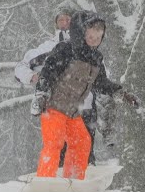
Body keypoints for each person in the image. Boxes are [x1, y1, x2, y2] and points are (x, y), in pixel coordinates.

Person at [33, 10, 139, 180]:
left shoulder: (96, 58)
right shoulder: (65, 50)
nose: (94, 42)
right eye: (91, 38)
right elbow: (48, 72)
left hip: (73, 112)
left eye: (98, 38)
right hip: (53, 108)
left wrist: (121, 93)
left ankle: (73, 178)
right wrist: (42, 93)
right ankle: (45, 179)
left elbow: (101, 82)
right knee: (54, 143)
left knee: (82, 142)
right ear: (79, 33)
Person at [15, 9, 100, 166]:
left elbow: (100, 74)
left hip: (84, 107)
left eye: (68, 19)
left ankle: (82, 182)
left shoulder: (89, 45)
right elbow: (20, 68)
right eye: (61, 19)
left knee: (84, 148)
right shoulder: (46, 47)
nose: (65, 23)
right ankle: (55, 183)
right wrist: (34, 77)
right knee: (57, 147)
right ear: (55, 23)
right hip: (57, 104)